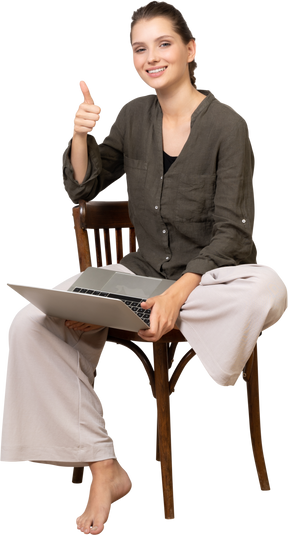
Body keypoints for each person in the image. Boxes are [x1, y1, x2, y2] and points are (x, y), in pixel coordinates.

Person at [1, 2, 288, 534]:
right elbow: (85, 188)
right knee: (29, 323)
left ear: (190, 49)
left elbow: (234, 234)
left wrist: (177, 295)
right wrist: (81, 133)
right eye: (138, 48)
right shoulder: (133, 114)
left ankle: (167, 321)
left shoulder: (230, 125)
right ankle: (103, 464)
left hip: (209, 280)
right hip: (141, 273)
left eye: (163, 43)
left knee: (268, 285)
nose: (150, 56)